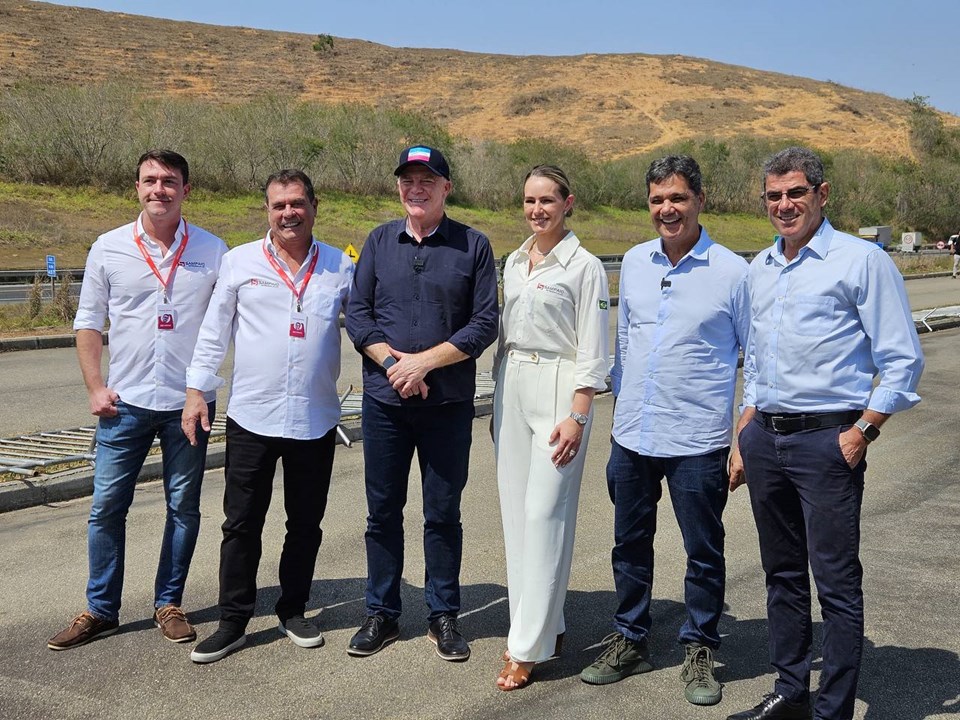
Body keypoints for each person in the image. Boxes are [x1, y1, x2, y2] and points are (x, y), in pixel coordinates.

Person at [726, 147, 924, 720]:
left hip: (829, 442)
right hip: (767, 438)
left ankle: (832, 710)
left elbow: (902, 359)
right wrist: (747, 425)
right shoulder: (761, 267)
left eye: (795, 193)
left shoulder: (861, 261)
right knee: (781, 574)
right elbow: (757, 357)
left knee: (835, 583)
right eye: (773, 195)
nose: (784, 205)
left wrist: (863, 430)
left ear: (822, 194)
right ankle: (791, 689)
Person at [578, 155, 750, 707]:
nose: (667, 209)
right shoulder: (633, 262)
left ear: (700, 199)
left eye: (677, 198)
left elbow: (759, 359)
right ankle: (631, 638)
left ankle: (700, 643)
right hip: (633, 435)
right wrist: (620, 413)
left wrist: (742, 436)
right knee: (629, 545)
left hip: (698, 441)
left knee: (703, 550)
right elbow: (626, 338)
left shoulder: (732, 272)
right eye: (657, 200)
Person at [48, 150, 227, 651]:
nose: (159, 190)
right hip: (123, 404)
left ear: (186, 191)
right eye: (150, 180)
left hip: (189, 405)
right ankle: (101, 609)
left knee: (183, 508)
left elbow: (223, 326)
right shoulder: (108, 247)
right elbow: (88, 322)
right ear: (136, 187)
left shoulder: (213, 250)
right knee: (106, 507)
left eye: (170, 181)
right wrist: (94, 386)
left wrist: (205, 389)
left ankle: (169, 603)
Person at [182, 169, 354, 664]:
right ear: (267, 211)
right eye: (279, 205)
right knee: (241, 524)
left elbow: (368, 326)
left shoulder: (340, 268)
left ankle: (293, 608)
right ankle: (234, 620)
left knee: (305, 522)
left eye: (297, 203)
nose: (288, 214)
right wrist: (197, 391)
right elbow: (213, 333)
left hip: (314, 418)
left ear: (314, 206)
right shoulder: (239, 263)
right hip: (252, 418)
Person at [344, 145, 499, 661]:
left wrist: (424, 364)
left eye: (427, 180)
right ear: (399, 187)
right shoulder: (378, 241)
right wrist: (395, 366)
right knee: (382, 512)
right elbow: (358, 315)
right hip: (385, 404)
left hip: (447, 405)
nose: (417, 188)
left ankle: (443, 614)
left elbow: (482, 325)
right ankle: (382, 613)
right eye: (408, 180)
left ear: (445, 188)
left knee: (442, 513)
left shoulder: (473, 246)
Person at [492, 165, 609, 691]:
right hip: (513, 382)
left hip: (560, 389)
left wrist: (579, 413)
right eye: (529, 201)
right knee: (517, 516)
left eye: (547, 200)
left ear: (568, 203)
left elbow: (594, 347)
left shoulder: (584, 266)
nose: (537, 210)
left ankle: (527, 648)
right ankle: (546, 624)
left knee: (545, 516)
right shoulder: (515, 261)